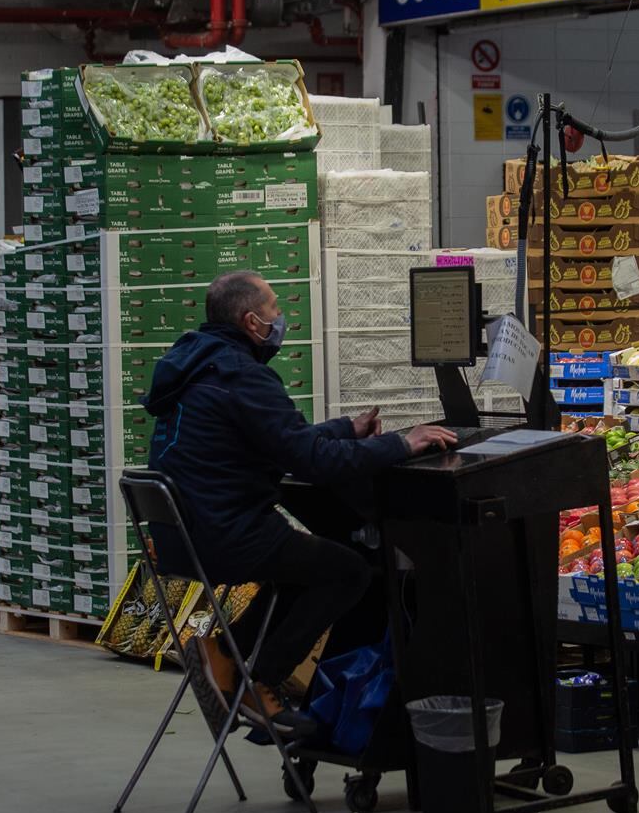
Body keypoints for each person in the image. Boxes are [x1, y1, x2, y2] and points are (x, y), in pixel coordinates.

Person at [142, 270, 456, 737]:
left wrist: (345, 430)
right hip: (225, 531)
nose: (280, 317)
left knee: (298, 569)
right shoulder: (242, 376)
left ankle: (224, 657)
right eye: (273, 308)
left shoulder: (198, 366)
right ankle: (259, 681)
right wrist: (402, 445)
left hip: (184, 534)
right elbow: (314, 463)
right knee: (349, 571)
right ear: (251, 320)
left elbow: (284, 441)